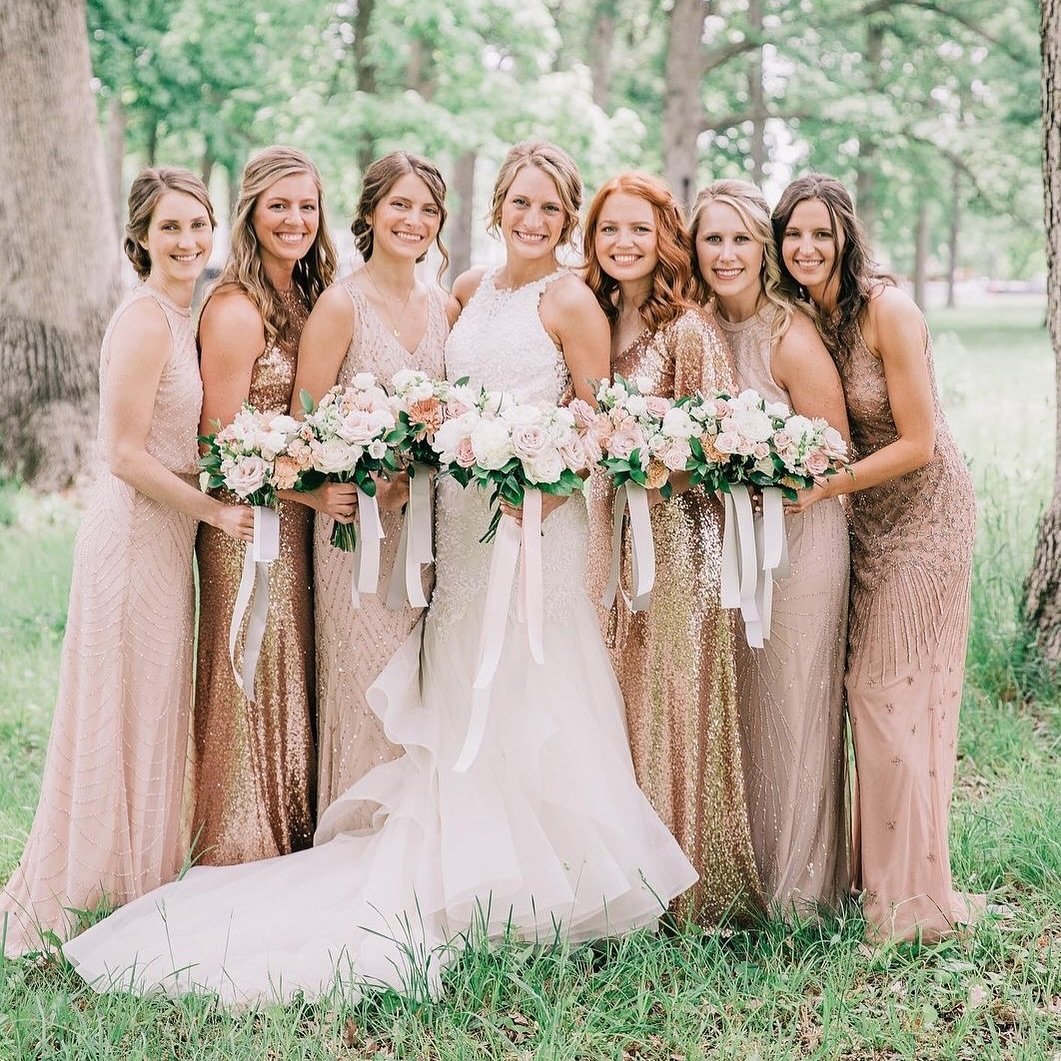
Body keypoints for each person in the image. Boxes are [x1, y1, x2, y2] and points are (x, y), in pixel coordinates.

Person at [62, 142, 697, 1004]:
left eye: (550, 207)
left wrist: (540, 492)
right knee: (414, 692)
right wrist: (340, 484)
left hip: (501, 526)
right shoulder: (449, 295)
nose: (533, 219)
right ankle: (363, 840)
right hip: (383, 533)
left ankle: (546, 874)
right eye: (520, 202)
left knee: (528, 690)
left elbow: (594, 426)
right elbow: (304, 425)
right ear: (494, 207)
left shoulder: (522, 298)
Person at [0, 168, 254, 956]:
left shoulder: (187, 317)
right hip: (131, 537)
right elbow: (120, 453)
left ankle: (136, 883)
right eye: (170, 228)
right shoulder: (145, 320)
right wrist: (215, 509)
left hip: (164, 540)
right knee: (113, 706)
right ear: (140, 237)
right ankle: (87, 889)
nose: (186, 241)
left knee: (149, 707)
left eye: (197, 225)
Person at [773, 172, 982, 942]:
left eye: (820, 233)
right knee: (876, 702)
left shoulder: (885, 310)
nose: (806, 247)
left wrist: (829, 486)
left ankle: (910, 907)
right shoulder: (802, 316)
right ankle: (885, 880)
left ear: (845, 238)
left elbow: (920, 441)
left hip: (924, 520)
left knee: (885, 695)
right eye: (793, 233)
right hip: (859, 521)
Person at [583, 172, 762, 922]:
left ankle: (684, 894)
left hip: (679, 544)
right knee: (611, 703)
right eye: (607, 229)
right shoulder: (589, 317)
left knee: (671, 700)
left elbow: (719, 449)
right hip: (604, 538)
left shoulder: (686, 328)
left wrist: (653, 459)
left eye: (638, 228)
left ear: (664, 237)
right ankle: (615, 885)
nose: (623, 243)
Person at [689, 178, 850, 914]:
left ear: (764, 249)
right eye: (711, 239)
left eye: (741, 240)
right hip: (722, 552)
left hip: (800, 544)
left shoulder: (789, 333)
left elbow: (836, 452)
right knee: (741, 708)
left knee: (792, 699)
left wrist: (768, 472)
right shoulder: (693, 328)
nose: (726, 254)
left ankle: (800, 890)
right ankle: (741, 875)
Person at [293, 151, 456, 821]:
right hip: (357, 539)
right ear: (368, 213)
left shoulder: (444, 305)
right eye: (399, 205)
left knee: (419, 683)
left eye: (426, 210)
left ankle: (413, 838)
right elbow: (304, 427)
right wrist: (357, 485)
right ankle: (355, 834)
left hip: (429, 536)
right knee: (365, 680)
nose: (412, 220)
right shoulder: (340, 305)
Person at [191, 146, 338, 866]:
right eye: (279, 205)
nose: (295, 219)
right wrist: (308, 488)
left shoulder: (308, 298)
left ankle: (294, 830)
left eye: (306, 205)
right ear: (250, 211)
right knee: (253, 670)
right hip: (245, 527)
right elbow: (218, 445)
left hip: (299, 521)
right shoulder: (235, 308)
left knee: (294, 670)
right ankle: (240, 841)